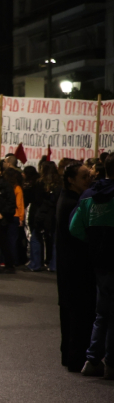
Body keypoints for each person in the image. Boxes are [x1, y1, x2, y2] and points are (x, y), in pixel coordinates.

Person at [70, 156, 114, 379]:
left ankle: (92, 359)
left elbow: (74, 227)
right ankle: (111, 363)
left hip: (98, 261)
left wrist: (93, 243)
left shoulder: (89, 196)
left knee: (101, 313)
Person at [54, 162, 97, 372]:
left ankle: (70, 355)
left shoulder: (69, 198)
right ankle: (75, 358)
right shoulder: (72, 202)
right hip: (75, 266)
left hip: (68, 264)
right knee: (79, 312)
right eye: (84, 177)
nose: (88, 181)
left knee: (71, 311)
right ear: (71, 180)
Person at [26, 163, 60, 272]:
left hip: (40, 214)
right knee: (54, 240)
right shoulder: (59, 183)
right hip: (54, 214)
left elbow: (35, 199)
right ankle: (54, 265)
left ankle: (35, 264)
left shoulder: (39, 183)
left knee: (36, 237)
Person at [4, 167, 26, 270]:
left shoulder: (4, 187)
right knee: (13, 240)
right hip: (15, 215)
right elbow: (20, 204)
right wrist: (21, 217)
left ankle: (4, 260)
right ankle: (14, 260)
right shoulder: (17, 188)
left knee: (5, 240)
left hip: (5, 215)